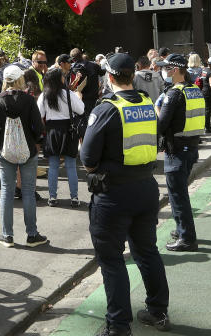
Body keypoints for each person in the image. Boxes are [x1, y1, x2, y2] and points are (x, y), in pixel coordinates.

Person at [81, 53, 170, 335]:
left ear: (109, 77)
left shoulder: (106, 108)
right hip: (145, 187)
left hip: (114, 194)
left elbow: (88, 158)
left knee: (112, 261)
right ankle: (158, 311)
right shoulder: (147, 102)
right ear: (132, 75)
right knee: (147, 252)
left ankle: (118, 326)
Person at [0, 65, 48, 248]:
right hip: (28, 150)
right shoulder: (29, 101)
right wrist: (37, 142)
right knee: (28, 191)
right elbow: (38, 126)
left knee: (6, 190)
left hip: (5, 152)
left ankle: (7, 235)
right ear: (21, 80)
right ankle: (32, 235)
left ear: (5, 80)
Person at [156, 53, 204, 252]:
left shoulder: (174, 93)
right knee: (180, 193)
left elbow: (161, 125)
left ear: (175, 70)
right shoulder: (194, 89)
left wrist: (156, 109)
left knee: (178, 196)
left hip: (176, 150)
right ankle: (180, 229)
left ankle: (187, 238)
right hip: (191, 147)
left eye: (166, 68)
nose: (164, 72)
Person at [38, 66, 84, 207]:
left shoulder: (44, 95)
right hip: (68, 130)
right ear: (59, 79)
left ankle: (52, 197)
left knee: (53, 166)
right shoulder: (68, 94)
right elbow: (81, 110)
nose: (65, 78)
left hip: (52, 131)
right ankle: (74, 197)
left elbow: (39, 114)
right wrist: (79, 97)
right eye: (63, 76)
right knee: (70, 166)